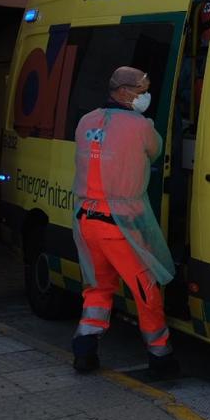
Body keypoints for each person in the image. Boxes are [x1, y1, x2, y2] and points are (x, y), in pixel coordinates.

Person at [71, 66, 179, 375]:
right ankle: (161, 357)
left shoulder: (85, 121)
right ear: (122, 92)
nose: (146, 95)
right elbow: (156, 152)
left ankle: (85, 350)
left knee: (98, 288)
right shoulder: (140, 126)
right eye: (141, 90)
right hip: (120, 225)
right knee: (145, 288)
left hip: (86, 221)